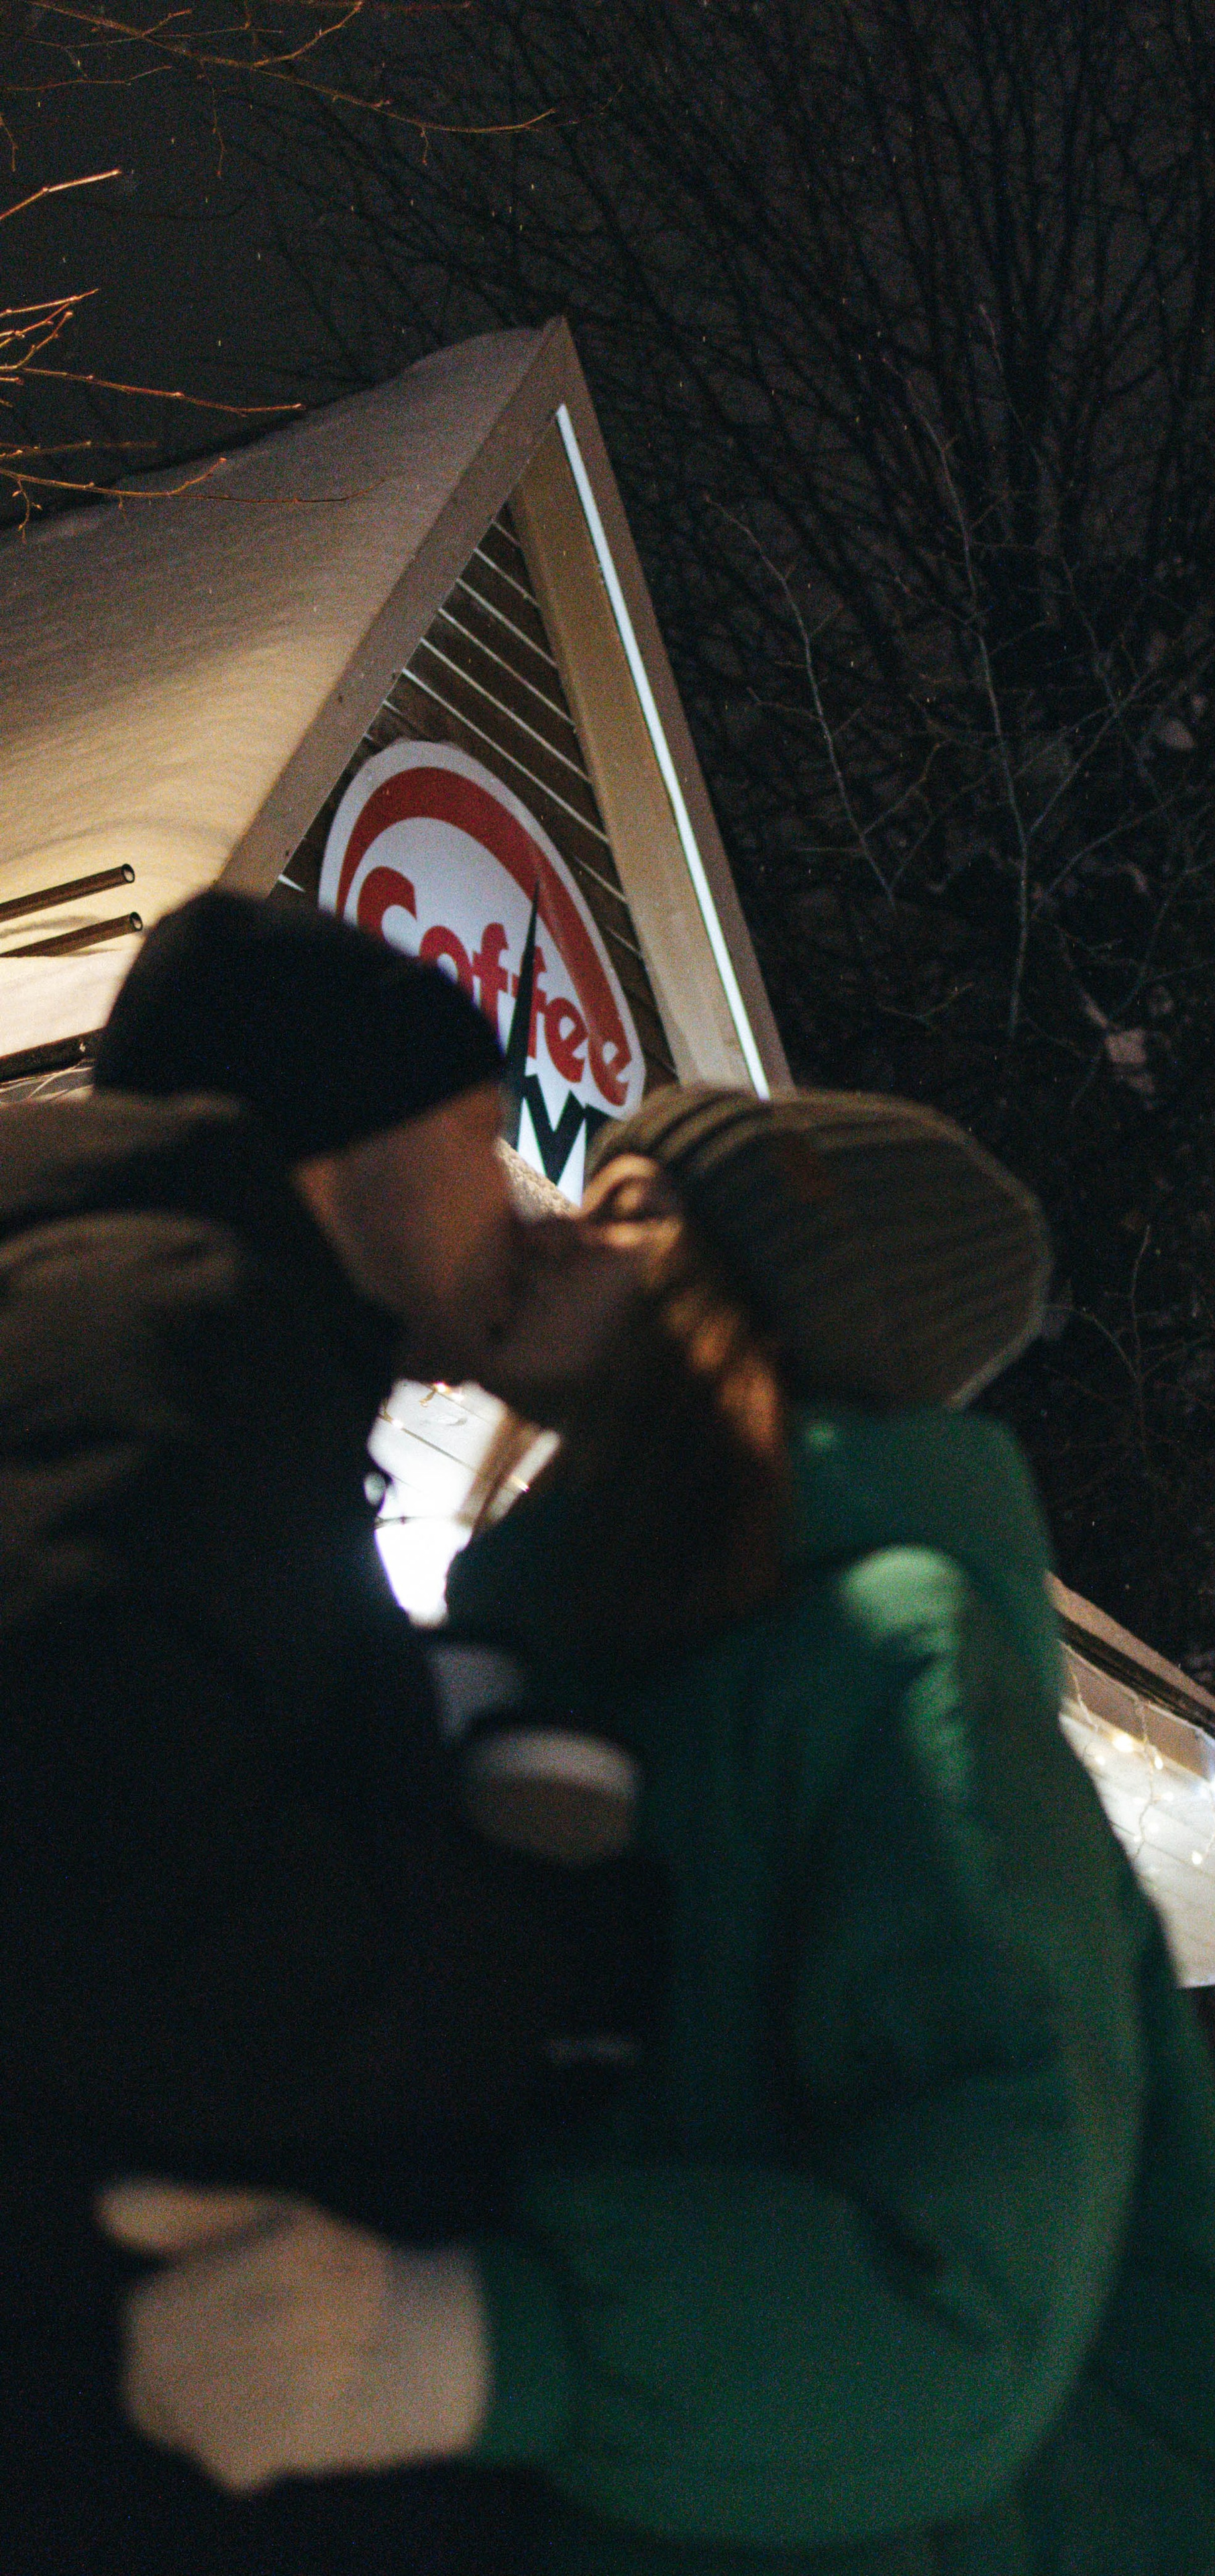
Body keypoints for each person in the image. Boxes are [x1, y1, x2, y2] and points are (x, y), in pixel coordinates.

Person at [108, 1085, 1215, 2573]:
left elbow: (966, 2276)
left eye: (633, 1208)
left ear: (762, 1306)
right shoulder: (580, 1663)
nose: (561, 1225)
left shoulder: (894, 1652)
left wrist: (474, 2340)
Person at [0, 893, 657, 2575]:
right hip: (126, 2403)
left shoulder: (166, 1328)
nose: (516, 1207)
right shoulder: (162, 1338)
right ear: (359, 1134)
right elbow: (106, 1860)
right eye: (480, 1140)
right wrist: (541, 1957)